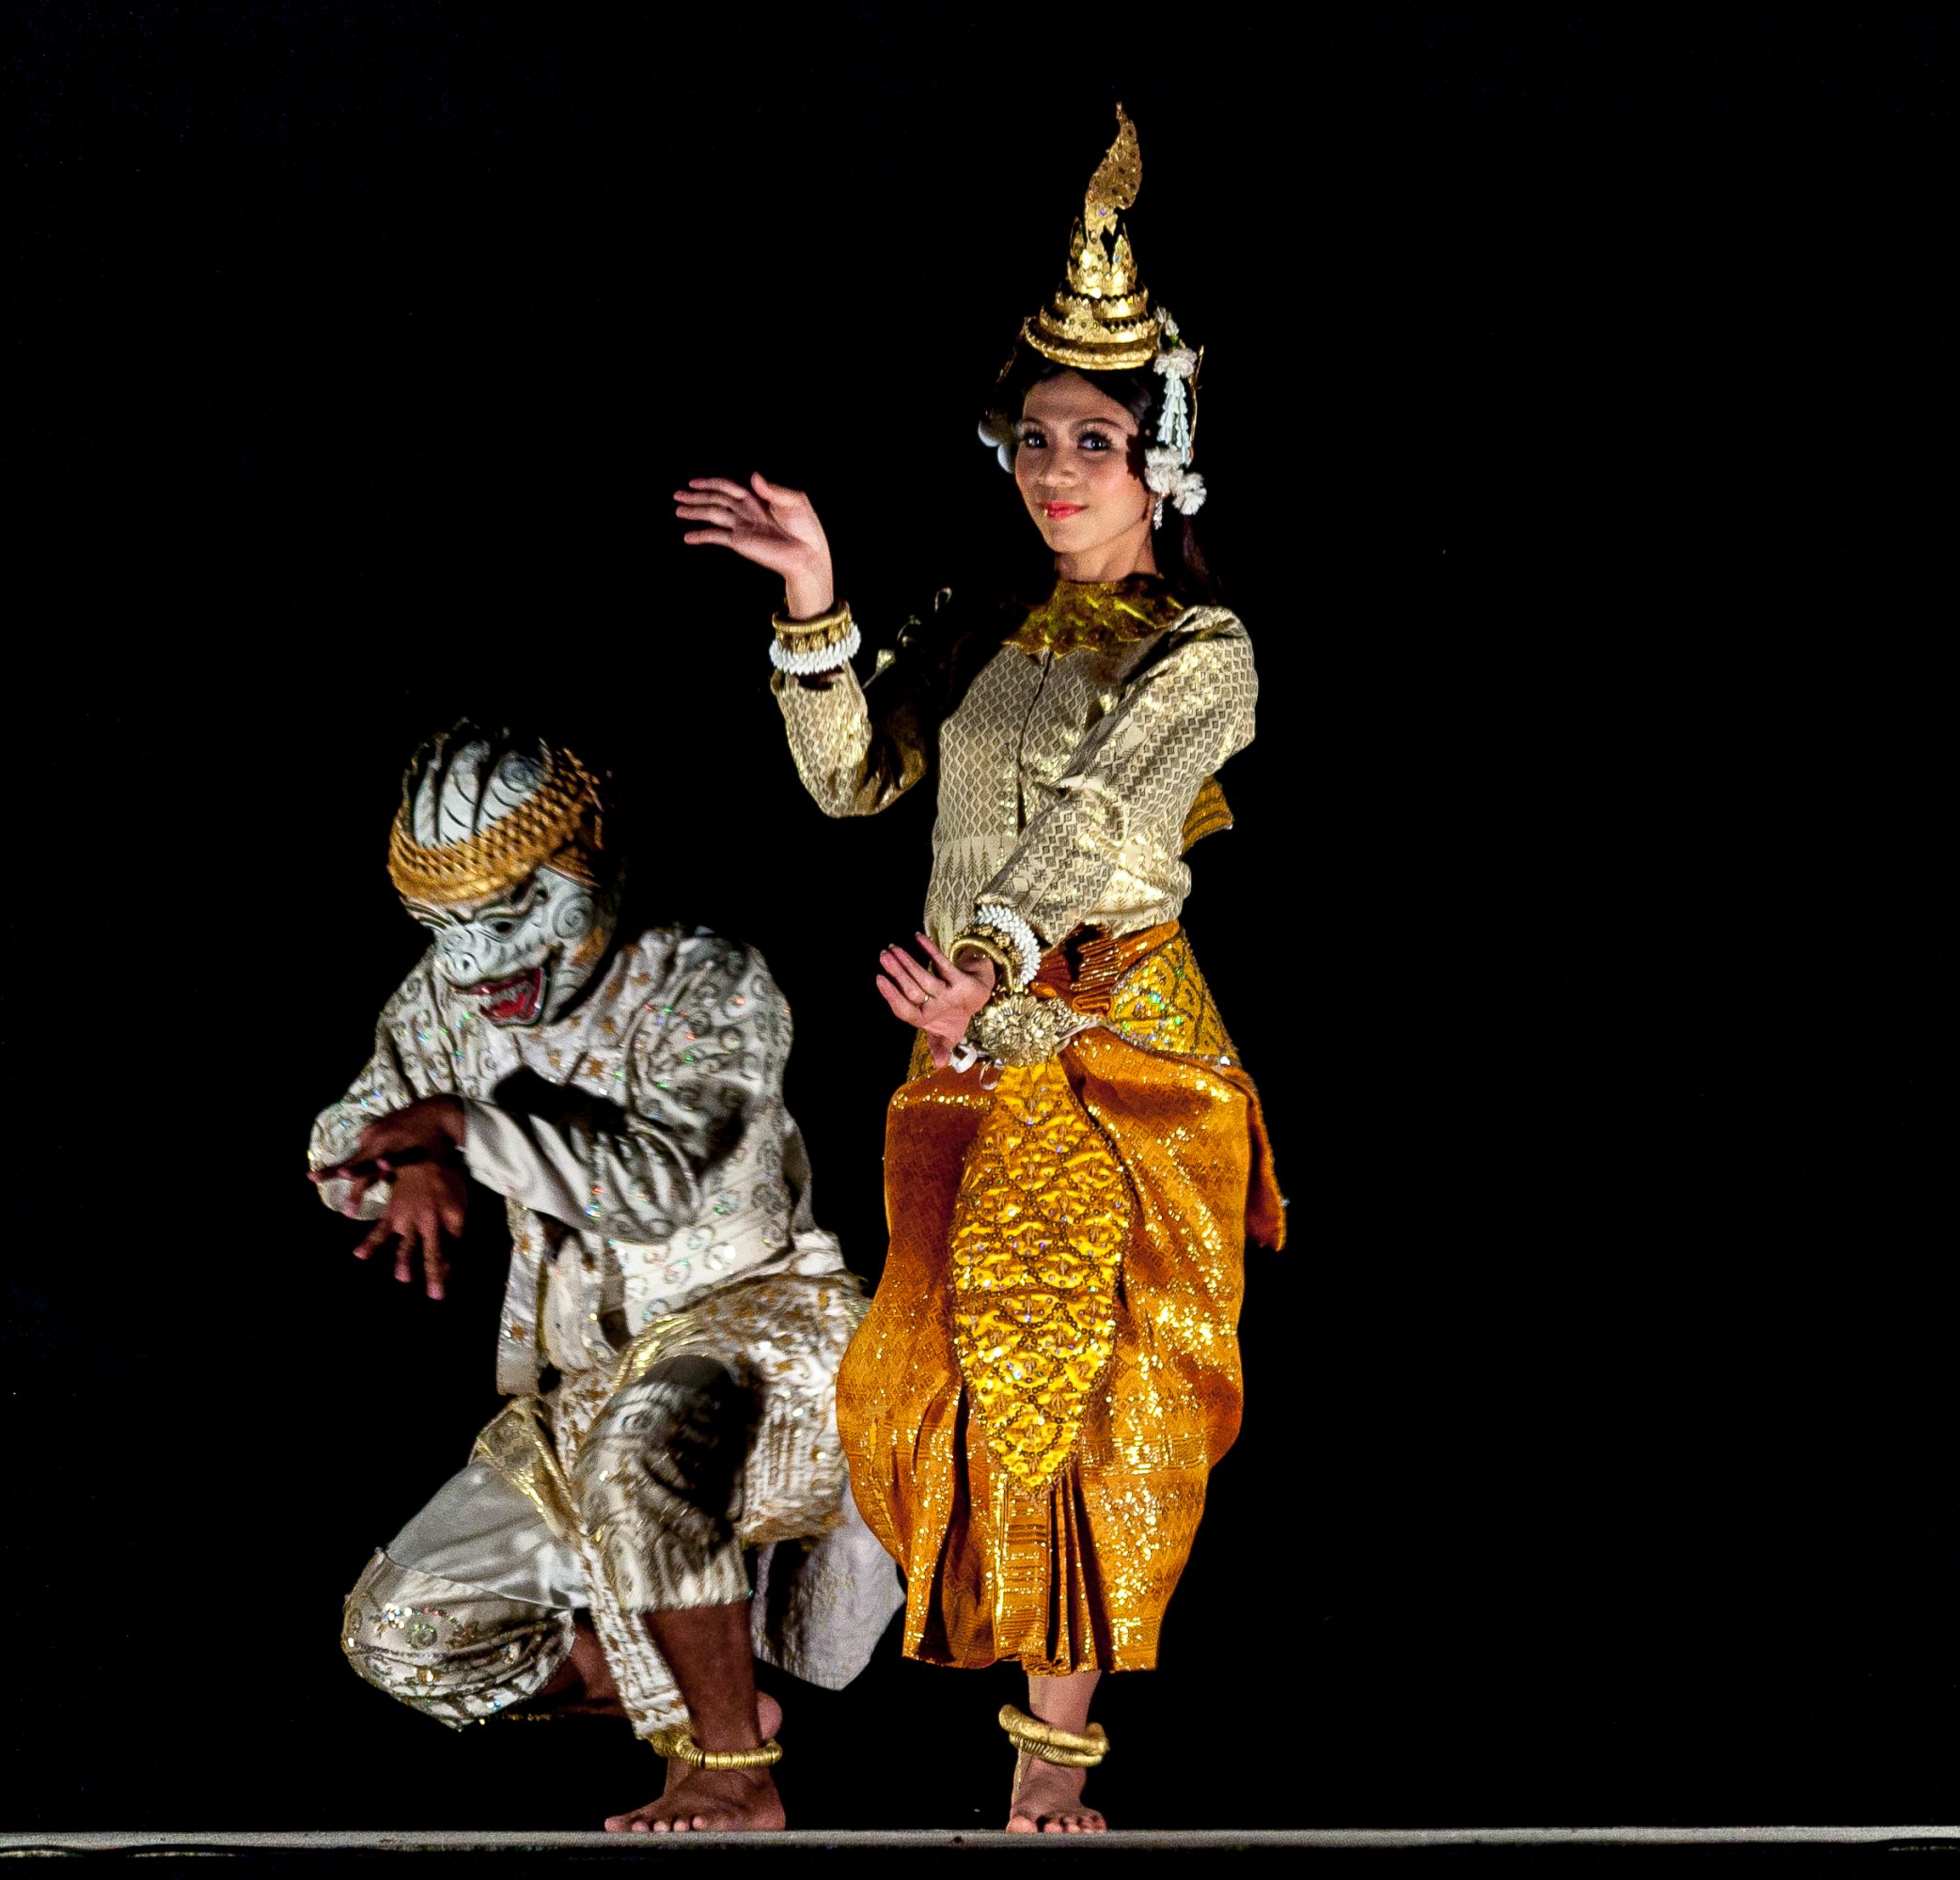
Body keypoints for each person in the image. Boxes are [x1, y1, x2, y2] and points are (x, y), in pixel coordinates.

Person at [671, 106, 1284, 1834]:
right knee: (933, 1373)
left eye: (1096, 439)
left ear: (1164, 459)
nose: (1055, 468)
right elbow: (852, 780)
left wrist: (997, 978)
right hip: (962, 1037)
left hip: (1114, 1044)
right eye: (1034, 436)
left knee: (1096, 1378)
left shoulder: (1203, 650)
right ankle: (815, 1716)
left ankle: (1050, 1757)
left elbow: (1099, 825)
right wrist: (815, 603)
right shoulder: (981, 621)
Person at [310, 725, 899, 1834]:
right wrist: (414, 1158)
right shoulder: (445, 998)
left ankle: (735, 1765)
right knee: (400, 1631)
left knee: (641, 1451)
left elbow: (663, 1186)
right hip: (587, 1381)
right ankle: (690, 1700)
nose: (475, 964)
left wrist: (461, 1129)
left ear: (583, 864)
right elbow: (340, 1145)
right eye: (442, 928)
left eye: (501, 918)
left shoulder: (705, 980)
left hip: (773, 1342)